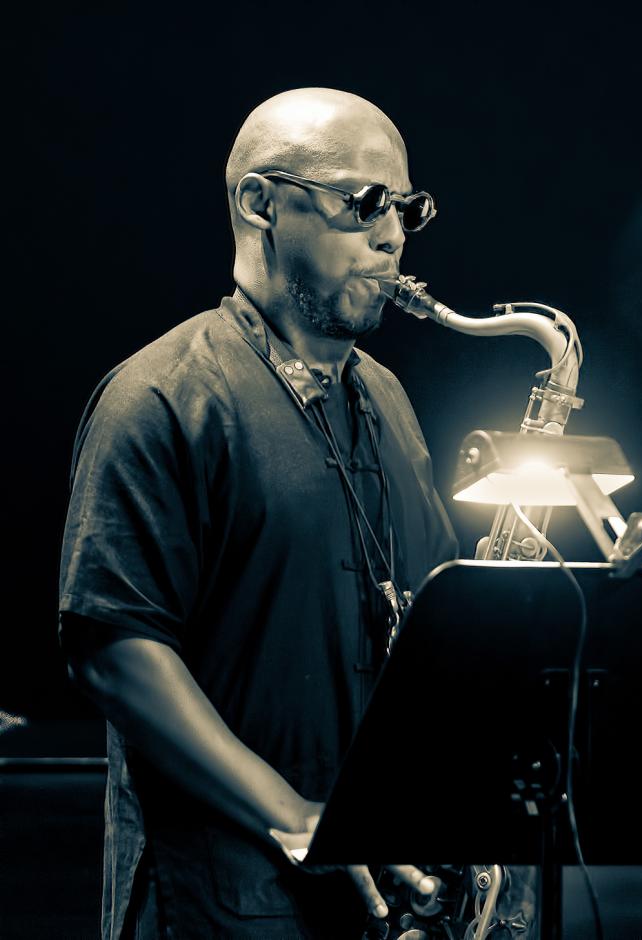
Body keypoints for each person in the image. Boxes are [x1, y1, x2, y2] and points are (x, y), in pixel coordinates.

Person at [58, 88, 459, 939]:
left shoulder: (387, 398)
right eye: (366, 204)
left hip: (376, 899)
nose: (392, 235)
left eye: (407, 210)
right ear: (260, 204)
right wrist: (298, 815)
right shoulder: (158, 396)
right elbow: (115, 652)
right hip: (220, 901)